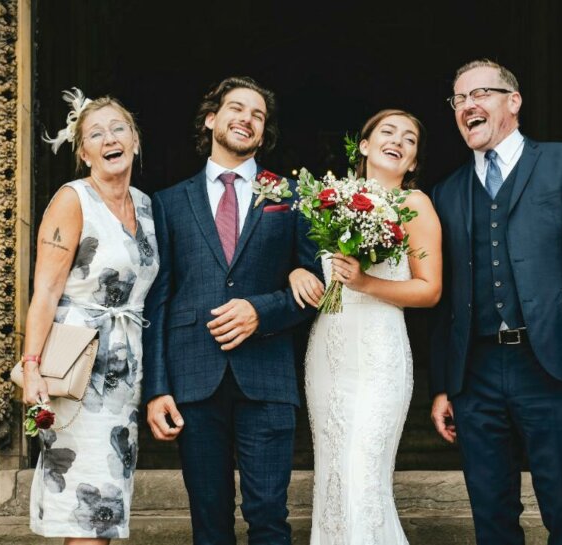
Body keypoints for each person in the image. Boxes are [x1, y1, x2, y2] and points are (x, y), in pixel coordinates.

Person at [429, 59, 562, 544]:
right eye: (459, 99)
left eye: (480, 94)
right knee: (491, 517)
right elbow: (446, 303)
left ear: (513, 101)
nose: (468, 106)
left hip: (555, 365)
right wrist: (445, 384)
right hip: (477, 375)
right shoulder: (446, 192)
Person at [142, 76, 320, 545]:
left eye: (257, 115)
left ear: (263, 133)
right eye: (237, 108)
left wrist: (263, 310)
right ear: (211, 118)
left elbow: (319, 286)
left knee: (269, 518)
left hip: (267, 377)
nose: (246, 119)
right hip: (193, 380)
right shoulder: (168, 201)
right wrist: (156, 388)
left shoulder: (290, 195)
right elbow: (158, 299)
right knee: (209, 522)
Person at [289, 109, 442, 544]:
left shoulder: (415, 206)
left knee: (364, 479)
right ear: (364, 145)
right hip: (329, 353)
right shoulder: (329, 201)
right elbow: (305, 265)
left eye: (409, 139)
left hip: (380, 355)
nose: (398, 141)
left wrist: (366, 282)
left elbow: (430, 290)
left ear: (412, 161)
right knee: (333, 479)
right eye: (388, 132)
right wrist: (294, 274)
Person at [22, 89, 159, 542]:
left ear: (135, 140)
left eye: (118, 128)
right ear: (84, 152)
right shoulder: (72, 199)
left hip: (125, 376)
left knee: (108, 512)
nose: (109, 139)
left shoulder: (145, 205)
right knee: (85, 510)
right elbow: (45, 291)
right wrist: (32, 367)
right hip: (79, 371)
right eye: (95, 134)